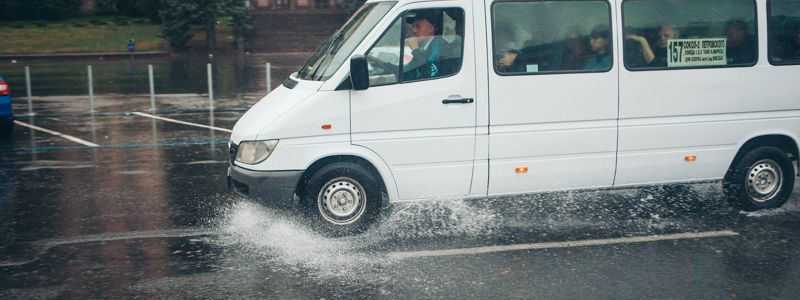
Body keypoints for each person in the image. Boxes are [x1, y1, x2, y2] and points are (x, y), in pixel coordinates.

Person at [403, 11, 446, 81]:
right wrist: (385, 64)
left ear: (431, 28)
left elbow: (429, 74)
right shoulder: (423, 48)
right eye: (413, 26)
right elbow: (409, 70)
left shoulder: (441, 47)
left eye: (418, 26)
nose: (414, 30)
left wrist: (415, 49)